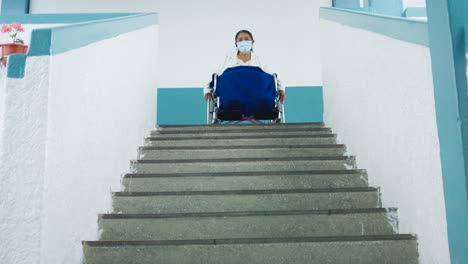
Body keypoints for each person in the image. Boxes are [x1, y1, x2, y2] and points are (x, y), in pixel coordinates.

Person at [204, 30, 286, 103]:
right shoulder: (228, 59)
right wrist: (207, 91)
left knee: (265, 77)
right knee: (226, 77)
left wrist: (281, 90)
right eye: (240, 40)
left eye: (246, 39)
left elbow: (274, 77)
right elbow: (214, 76)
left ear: (252, 42)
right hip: (231, 95)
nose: (243, 42)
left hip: (257, 96)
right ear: (236, 44)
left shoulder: (259, 61)